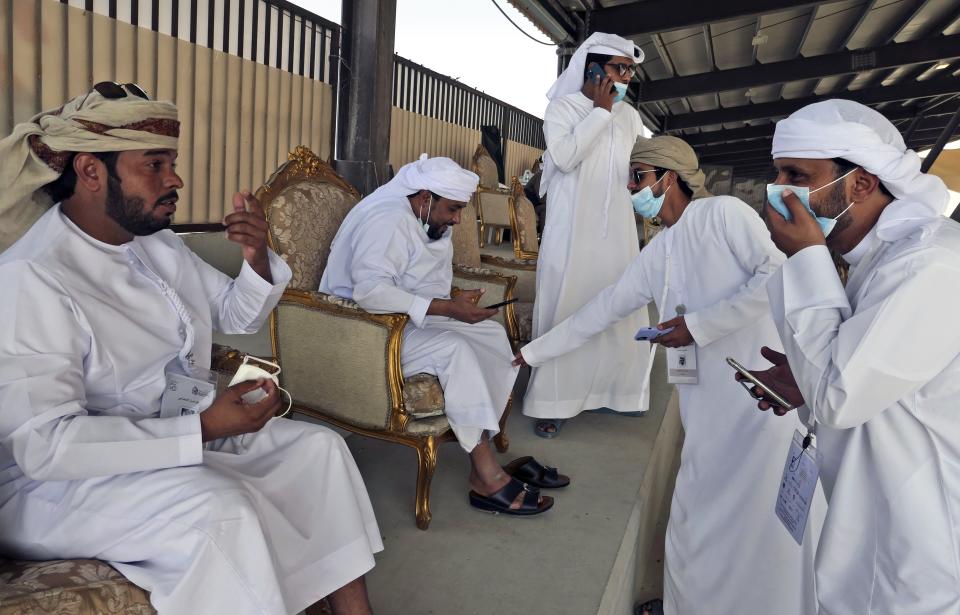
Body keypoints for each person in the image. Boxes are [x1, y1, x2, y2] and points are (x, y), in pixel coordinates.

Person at [0, 85, 382, 615]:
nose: (174, 179)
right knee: (222, 512)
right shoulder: (33, 276)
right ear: (90, 171)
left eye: (172, 163)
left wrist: (257, 255)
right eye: (153, 165)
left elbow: (237, 313)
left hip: (171, 436)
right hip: (57, 487)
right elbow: (46, 448)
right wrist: (201, 429)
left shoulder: (154, 244)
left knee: (319, 452)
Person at [515, 135, 822, 614]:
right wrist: (533, 353)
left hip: (759, 398)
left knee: (750, 522)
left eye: (638, 178)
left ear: (669, 178)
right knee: (697, 515)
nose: (632, 189)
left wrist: (698, 327)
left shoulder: (723, 214)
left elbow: (775, 274)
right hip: (705, 405)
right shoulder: (660, 249)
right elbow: (604, 309)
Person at [744, 99, 960, 614]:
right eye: (778, 174)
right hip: (872, 516)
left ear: (861, 184)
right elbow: (872, 377)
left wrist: (805, 255)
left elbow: (839, 396)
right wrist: (802, 376)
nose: (780, 190)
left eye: (797, 174)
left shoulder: (928, 263)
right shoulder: (877, 258)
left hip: (915, 548)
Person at [320, 154, 567, 516]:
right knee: (455, 350)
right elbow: (370, 292)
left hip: (404, 320)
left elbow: (416, 282)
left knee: (491, 335)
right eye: (453, 209)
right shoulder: (387, 221)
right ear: (424, 198)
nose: (457, 219)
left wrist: (453, 299)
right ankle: (485, 474)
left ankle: (484, 436)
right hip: (364, 329)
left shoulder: (428, 221)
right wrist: (448, 309)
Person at [524, 32, 651, 438]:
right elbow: (564, 157)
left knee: (618, 306)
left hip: (615, 230)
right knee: (568, 307)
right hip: (572, 232)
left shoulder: (631, 118)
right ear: (592, 68)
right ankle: (553, 401)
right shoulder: (562, 109)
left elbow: (636, 168)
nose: (627, 77)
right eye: (619, 68)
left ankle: (618, 393)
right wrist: (599, 111)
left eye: (630, 71)